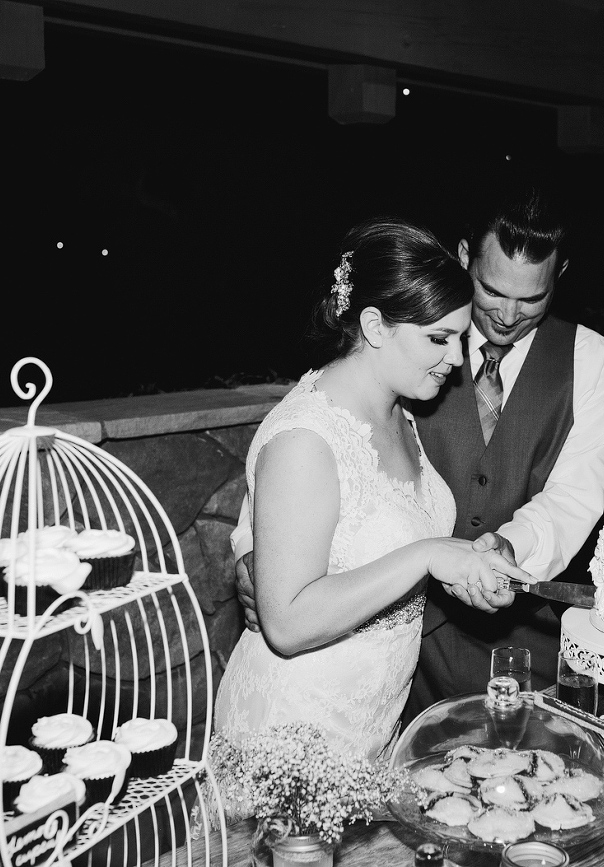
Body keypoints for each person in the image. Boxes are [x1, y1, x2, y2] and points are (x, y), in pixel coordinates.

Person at [214, 218, 531, 762]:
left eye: (459, 337)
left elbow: (380, 554)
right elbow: (286, 623)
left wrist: (463, 565)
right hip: (292, 733)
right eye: (439, 338)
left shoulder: (402, 413)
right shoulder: (305, 440)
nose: (457, 360)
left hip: (372, 729)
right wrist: (427, 555)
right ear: (375, 325)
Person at [402, 182, 604, 719]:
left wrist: (508, 547)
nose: (507, 314)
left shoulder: (591, 361)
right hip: (414, 645)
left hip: (532, 645)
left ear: (560, 276)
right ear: (463, 258)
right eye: (492, 290)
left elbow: (574, 495)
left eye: (532, 299)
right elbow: (336, 427)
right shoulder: (412, 340)